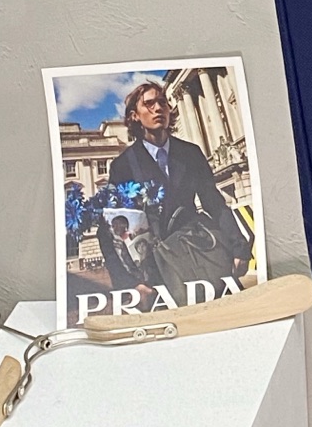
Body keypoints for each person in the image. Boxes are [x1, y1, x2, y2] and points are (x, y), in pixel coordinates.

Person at [108, 81, 252, 297]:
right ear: (134, 116)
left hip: (202, 251)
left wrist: (239, 247)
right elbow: (112, 228)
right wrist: (129, 283)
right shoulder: (123, 165)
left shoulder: (191, 153)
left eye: (162, 102)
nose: (158, 108)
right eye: (149, 104)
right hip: (158, 269)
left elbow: (214, 203)